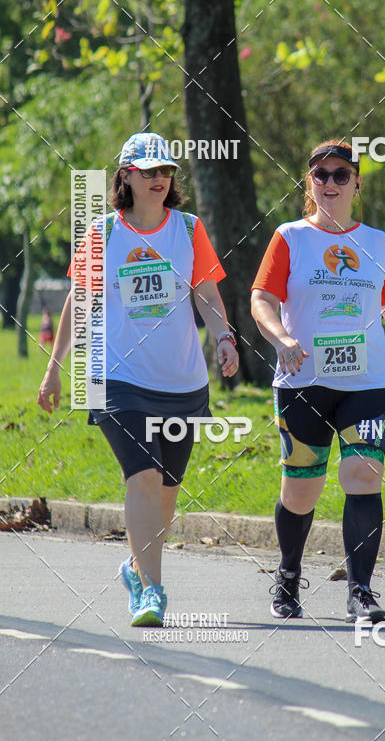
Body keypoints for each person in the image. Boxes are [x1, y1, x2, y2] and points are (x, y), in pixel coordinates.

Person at [37, 133, 239, 627]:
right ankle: (151, 591)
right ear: (125, 176)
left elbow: (207, 293)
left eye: (166, 171)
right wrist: (55, 366)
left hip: (183, 381)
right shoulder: (104, 232)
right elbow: (78, 300)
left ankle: (134, 565)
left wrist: (225, 337)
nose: (159, 179)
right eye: (148, 171)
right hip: (118, 378)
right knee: (143, 478)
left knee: (167, 491)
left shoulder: (189, 230)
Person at [251, 140, 385, 624]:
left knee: (363, 477)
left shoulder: (377, 243)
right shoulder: (289, 236)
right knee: (301, 490)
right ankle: (289, 575)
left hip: (368, 381)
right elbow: (261, 300)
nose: (329, 183)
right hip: (302, 380)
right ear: (308, 183)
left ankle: (361, 591)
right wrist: (281, 339)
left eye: (340, 174)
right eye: (320, 175)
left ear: (357, 182)